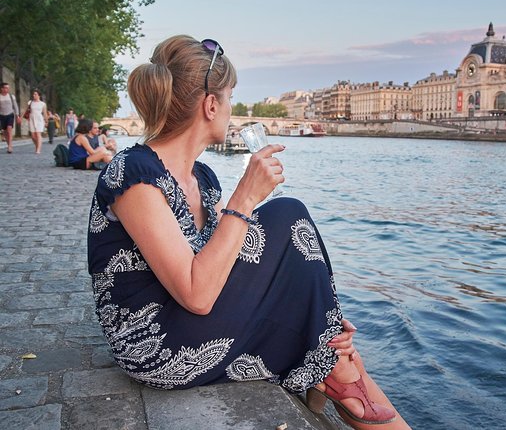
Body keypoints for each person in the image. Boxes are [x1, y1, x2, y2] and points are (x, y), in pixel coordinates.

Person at [87, 35, 408, 429]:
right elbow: (197, 293)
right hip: (155, 344)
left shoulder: (202, 179)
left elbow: (244, 255)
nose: (232, 109)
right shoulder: (134, 174)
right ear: (210, 105)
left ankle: (336, 366)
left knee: (315, 312)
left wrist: (325, 312)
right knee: (288, 213)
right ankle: (336, 373)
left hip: (188, 321)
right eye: (230, 97)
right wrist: (245, 197)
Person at [0, 82, 21, 153]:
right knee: (5, 132)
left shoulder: (11, 96)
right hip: (2, 116)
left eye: (8, 88)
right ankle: (9, 144)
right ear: (2, 88)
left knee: (9, 129)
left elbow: (15, 106)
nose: (7, 89)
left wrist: (17, 115)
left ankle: (10, 146)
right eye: (5, 88)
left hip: (10, 115)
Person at [27, 90, 47, 154]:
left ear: (39, 95)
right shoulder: (30, 102)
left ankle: (38, 149)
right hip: (32, 118)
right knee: (33, 136)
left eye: (35, 94)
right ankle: (37, 145)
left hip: (39, 119)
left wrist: (46, 121)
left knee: (38, 134)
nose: (34, 95)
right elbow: (26, 111)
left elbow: (45, 113)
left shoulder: (43, 104)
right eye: (33, 94)